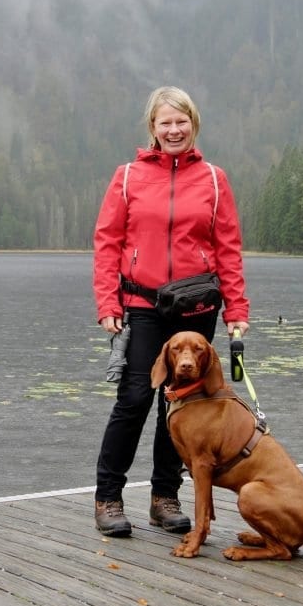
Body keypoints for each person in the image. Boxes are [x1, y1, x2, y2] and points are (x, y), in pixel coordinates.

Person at [92, 86, 250, 536]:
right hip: (141, 304)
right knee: (137, 397)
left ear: (193, 125)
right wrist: (108, 301)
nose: (174, 130)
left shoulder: (215, 181)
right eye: (166, 122)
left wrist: (236, 309)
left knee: (181, 404)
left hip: (198, 306)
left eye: (182, 122)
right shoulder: (127, 177)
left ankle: (164, 497)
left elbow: (228, 250)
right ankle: (108, 498)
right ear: (153, 128)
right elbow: (107, 243)